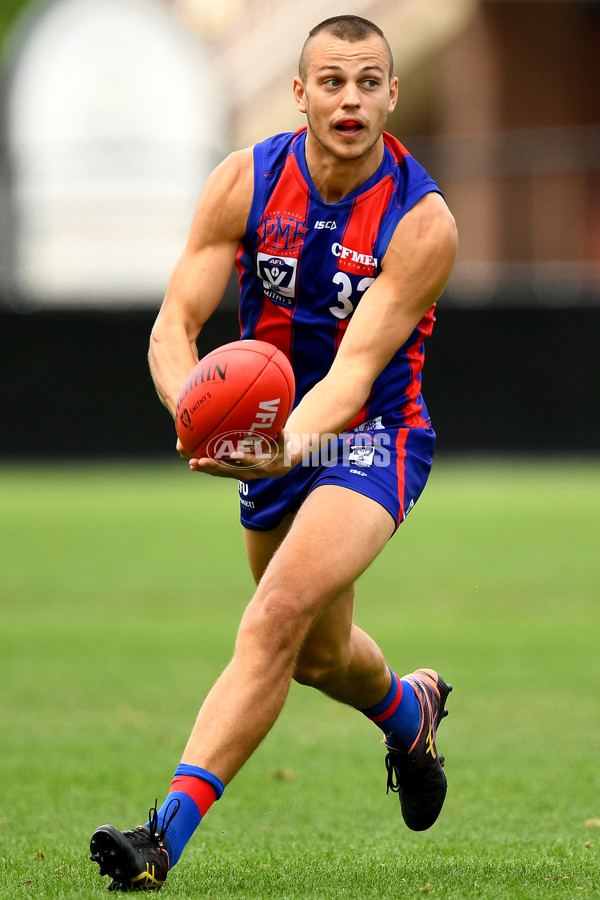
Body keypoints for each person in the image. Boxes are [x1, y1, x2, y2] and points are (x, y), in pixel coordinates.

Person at [90, 14, 458, 892]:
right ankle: (410, 712)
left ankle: (159, 841)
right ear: (300, 94)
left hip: (371, 435)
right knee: (321, 656)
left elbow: (355, 373)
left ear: (392, 96)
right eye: (331, 81)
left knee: (272, 620)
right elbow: (173, 326)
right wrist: (194, 412)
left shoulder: (423, 219)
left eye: (369, 82)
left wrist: (282, 445)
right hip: (272, 442)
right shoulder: (246, 181)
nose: (350, 98)